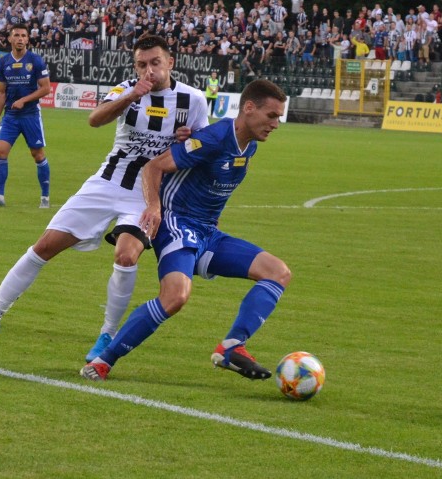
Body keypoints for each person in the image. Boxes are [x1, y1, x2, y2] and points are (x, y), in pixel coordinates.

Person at [0, 34, 209, 360]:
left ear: (170, 63)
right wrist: (133, 94)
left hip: (146, 194)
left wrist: (190, 140)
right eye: (141, 64)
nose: (148, 70)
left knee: (126, 255)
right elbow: (95, 119)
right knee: (44, 245)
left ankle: (107, 335)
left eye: (155, 63)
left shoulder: (194, 100)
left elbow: (203, 148)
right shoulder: (127, 88)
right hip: (106, 182)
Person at [80, 79, 291, 382]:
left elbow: (216, 189)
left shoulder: (250, 146)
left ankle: (232, 347)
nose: (276, 124)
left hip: (207, 232)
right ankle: (103, 361)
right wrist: (154, 207)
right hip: (177, 225)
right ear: (248, 108)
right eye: (272, 116)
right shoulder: (213, 138)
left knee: (278, 272)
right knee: (175, 296)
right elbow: (153, 167)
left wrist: (213, 223)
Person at [0, 23, 52, 209]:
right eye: (16, 35)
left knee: (37, 154)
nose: (20, 39)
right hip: (10, 116)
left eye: (23, 36)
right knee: (0, 152)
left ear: (28, 39)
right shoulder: (3, 62)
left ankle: (45, 198)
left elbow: (45, 88)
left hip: (30, 115)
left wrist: (24, 100)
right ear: (10, 39)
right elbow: (2, 92)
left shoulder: (35, 61)